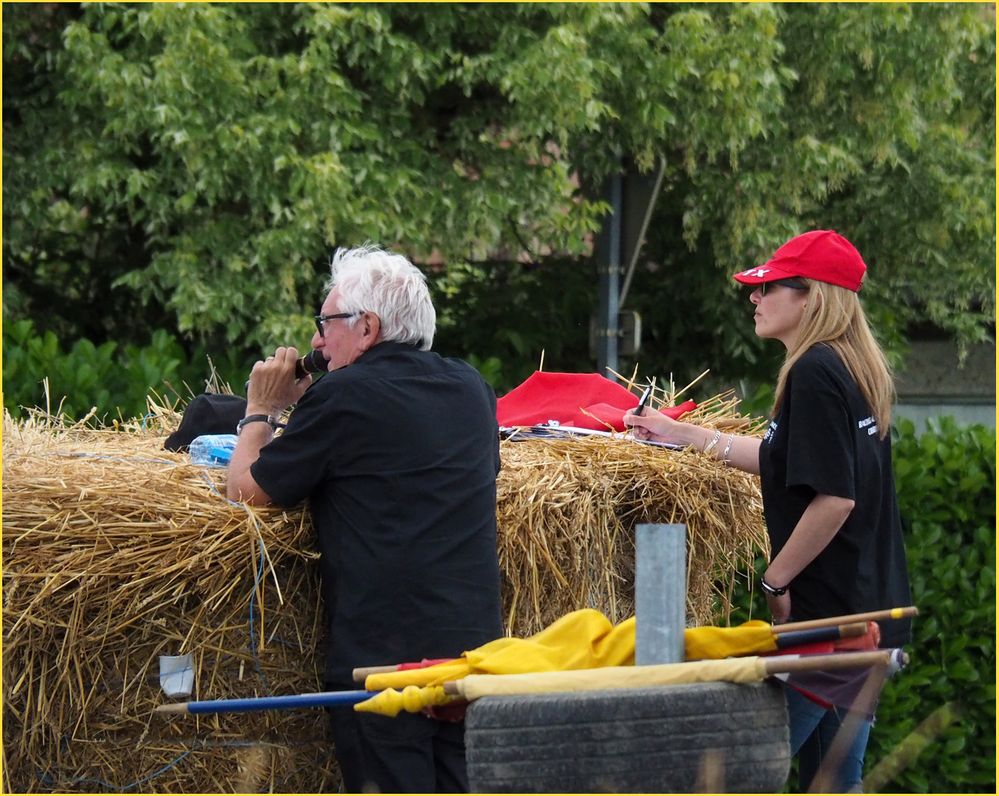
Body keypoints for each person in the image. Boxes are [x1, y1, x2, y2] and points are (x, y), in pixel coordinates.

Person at [623, 230, 912, 793]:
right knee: (832, 783)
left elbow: (835, 499)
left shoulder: (814, 373)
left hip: (830, 624)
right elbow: (784, 462)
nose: (754, 299)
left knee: (733, 778)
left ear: (811, 297)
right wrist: (679, 432)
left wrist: (776, 578)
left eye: (768, 288)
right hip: (866, 613)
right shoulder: (850, 369)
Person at [227, 245, 504, 793]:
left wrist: (261, 411)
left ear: (368, 327)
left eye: (325, 323)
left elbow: (247, 493)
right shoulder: (471, 388)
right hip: (471, 657)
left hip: (382, 664)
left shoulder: (344, 395)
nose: (316, 341)